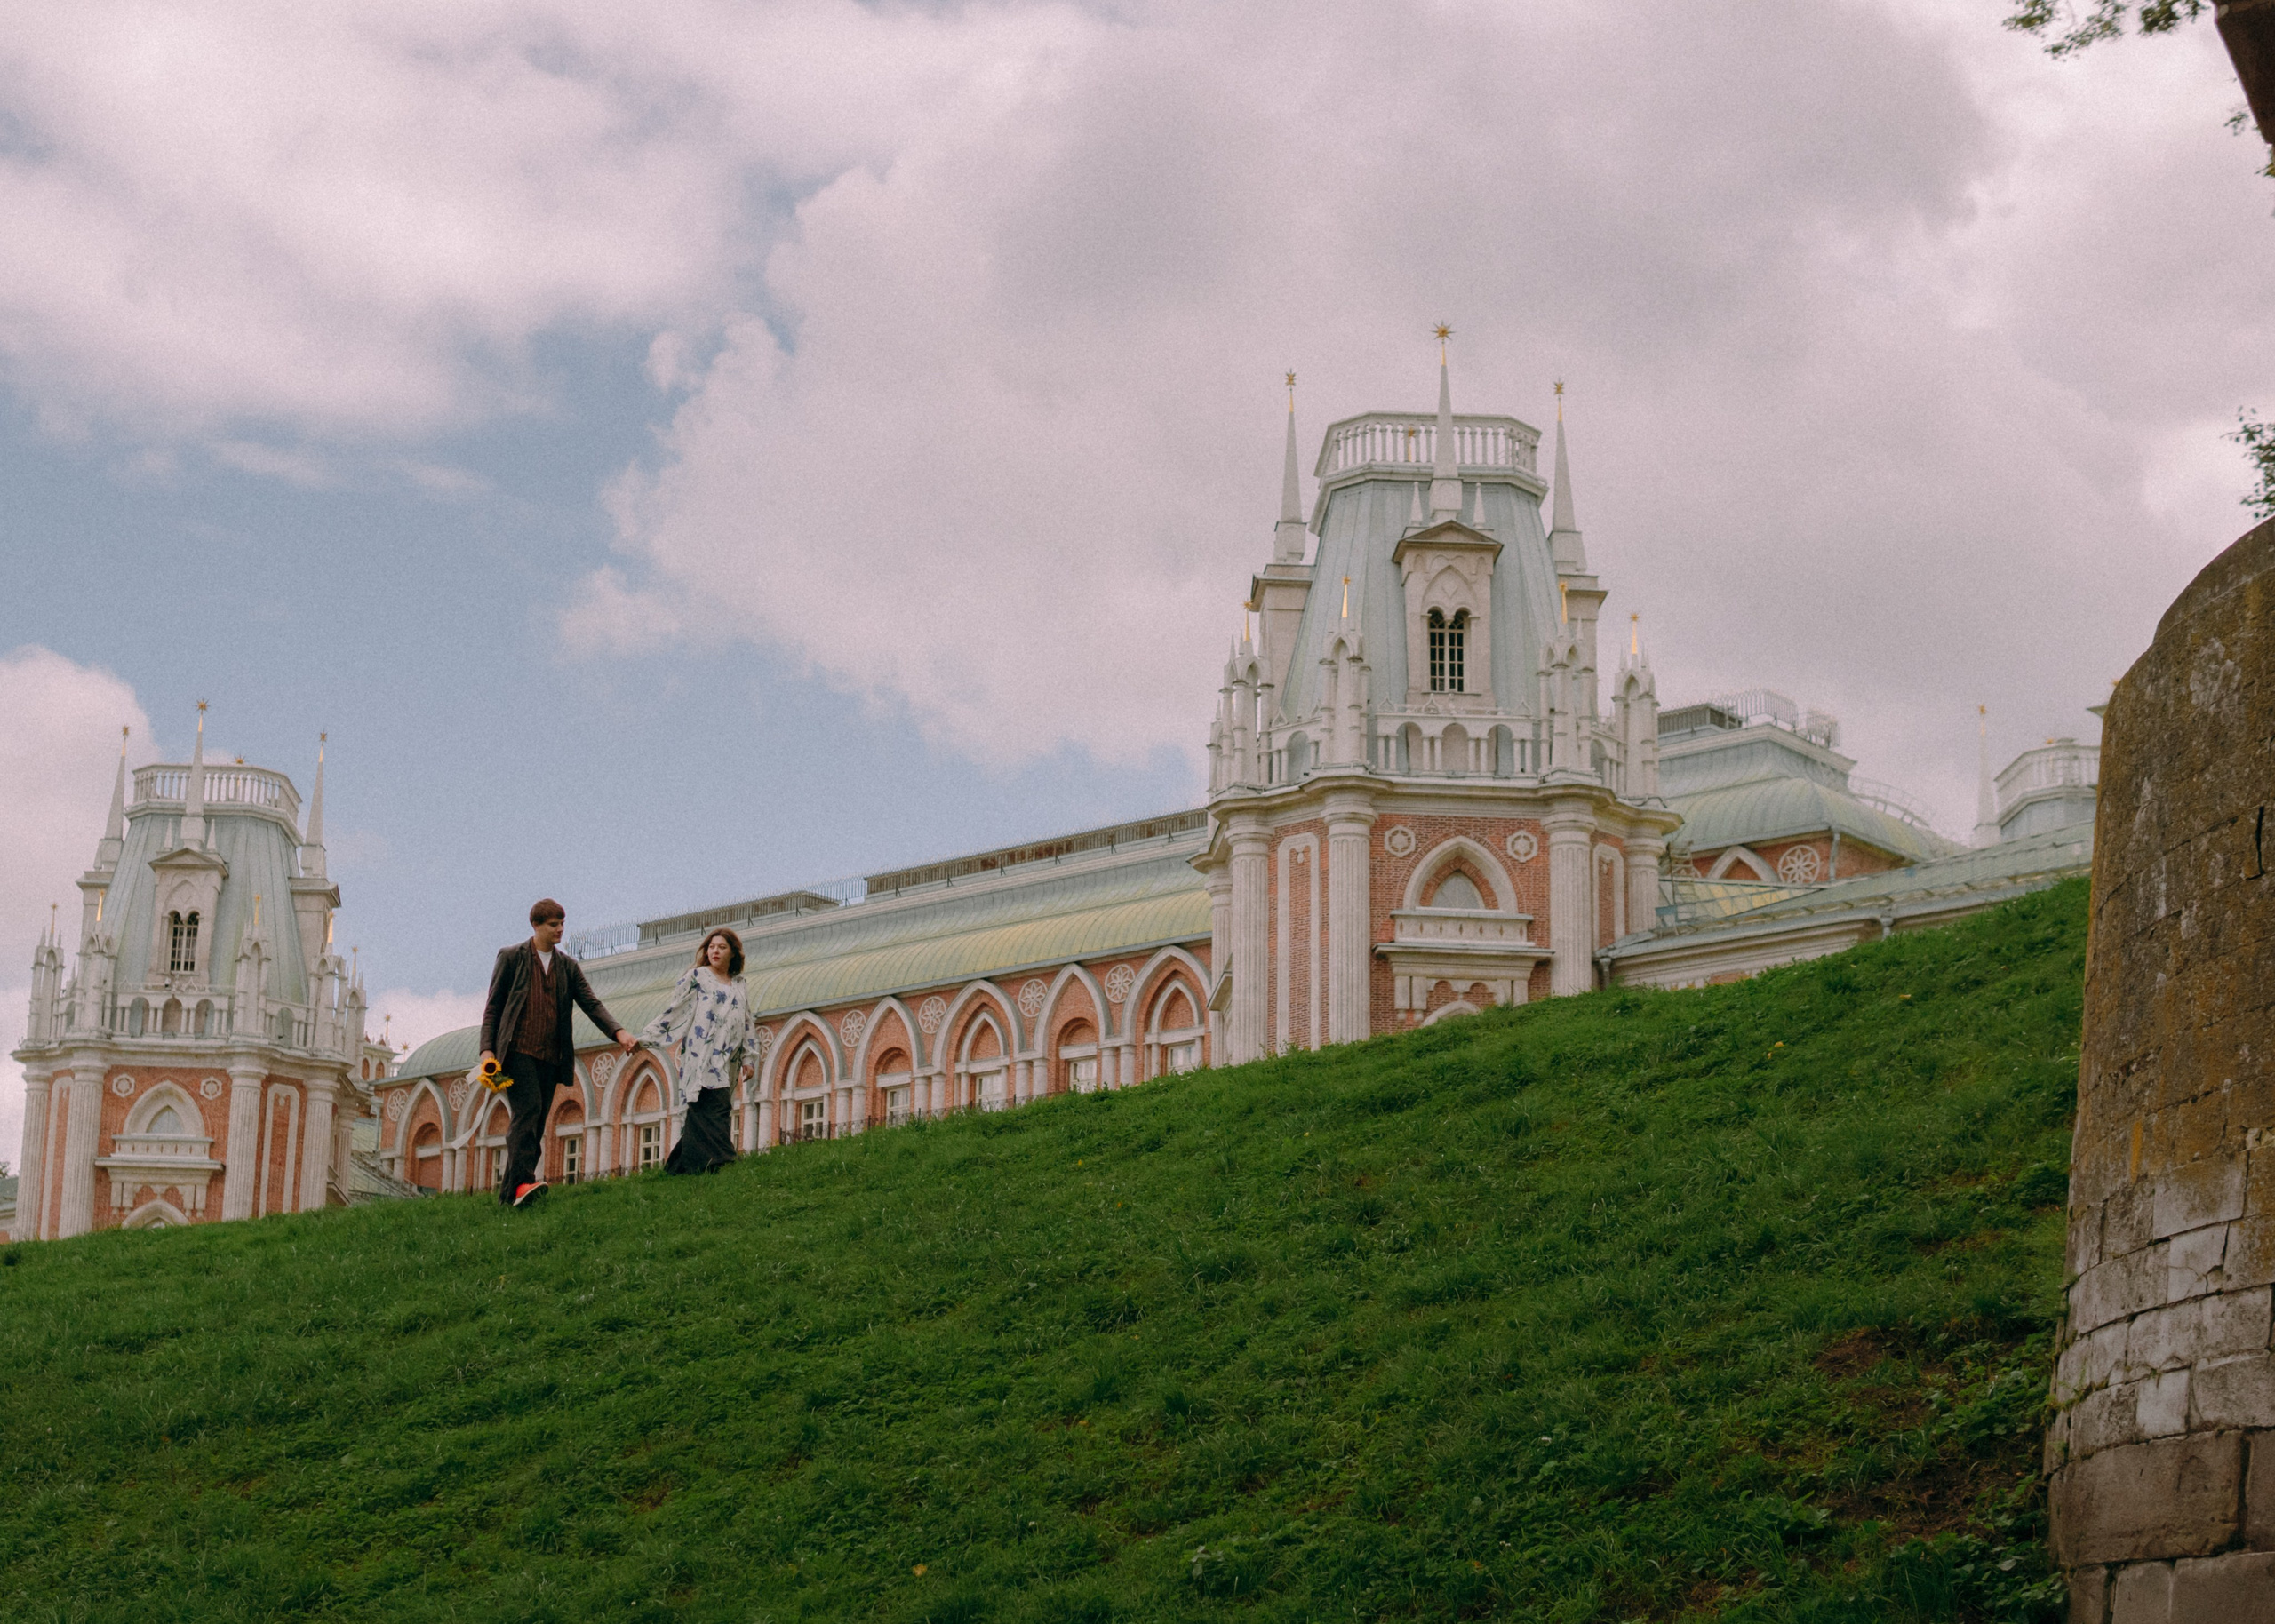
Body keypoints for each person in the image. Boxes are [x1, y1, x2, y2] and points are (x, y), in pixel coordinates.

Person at [479, 897, 635, 1208]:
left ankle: (511, 1196)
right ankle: (524, 1182)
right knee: (528, 1111)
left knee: (535, 1124)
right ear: (536, 925)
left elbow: (592, 1004)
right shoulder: (511, 957)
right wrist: (487, 1051)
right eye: (554, 925)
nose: (560, 930)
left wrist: (620, 1033)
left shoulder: (568, 967)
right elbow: (493, 1008)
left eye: (563, 924)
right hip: (516, 1051)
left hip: (551, 1056)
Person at [641, 927, 753, 1175]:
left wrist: (749, 1057)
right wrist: (647, 1037)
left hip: (728, 1056)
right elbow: (676, 1010)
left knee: (713, 1106)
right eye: (712, 947)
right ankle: (723, 1160)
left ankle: (680, 1166)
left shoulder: (740, 985)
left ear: (733, 953)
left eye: (722, 947)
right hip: (701, 1054)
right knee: (712, 1104)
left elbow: (746, 1022)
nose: (715, 951)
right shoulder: (697, 977)